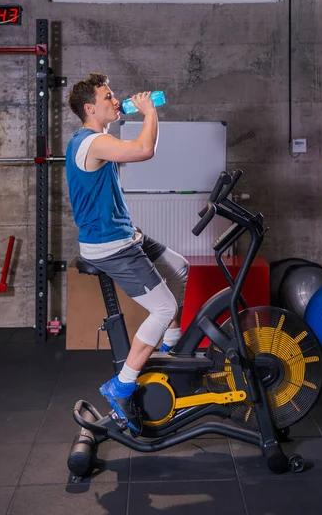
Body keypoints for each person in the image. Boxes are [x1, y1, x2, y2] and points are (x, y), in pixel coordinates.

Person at [65, 72, 189, 434]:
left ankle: (170, 348)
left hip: (123, 234)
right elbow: (143, 150)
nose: (116, 100)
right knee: (164, 307)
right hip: (109, 245)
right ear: (90, 108)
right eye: (108, 97)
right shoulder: (91, 142)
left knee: (178, 267)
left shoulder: (96, 139)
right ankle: (122, 385)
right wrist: (149, 110)